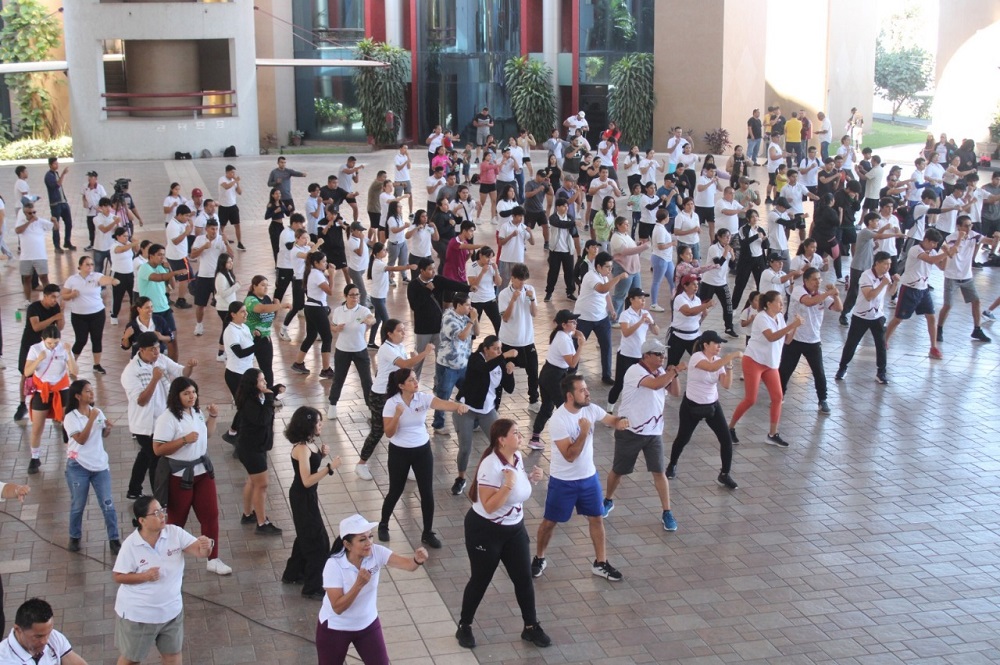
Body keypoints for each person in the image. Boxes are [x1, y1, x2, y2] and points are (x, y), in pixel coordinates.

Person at [455, 419, 550, 650]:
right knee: (480, 580)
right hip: (485, 532)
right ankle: (464, 626)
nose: (520, 436)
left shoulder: (515, 458)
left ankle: (530, 627)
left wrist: (530, 480)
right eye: (515, 433)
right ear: (501, 439)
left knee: (524, 578)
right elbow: (488, 505)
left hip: (514, 529)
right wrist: (507, 485)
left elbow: (515, 488)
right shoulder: (491, 465)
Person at [532, 375, 629, 582]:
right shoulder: (559, 420)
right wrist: (584, 432)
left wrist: (620, 422)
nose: (587, 393)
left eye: (586, 389)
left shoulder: (590, 409)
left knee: (597, 518)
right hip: (563, 482)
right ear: (569, 395)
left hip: (588, 479)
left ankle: (601, 562)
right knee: (550, 522)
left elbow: (610, 420)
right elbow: (569, 455)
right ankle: (539, 557)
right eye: (582, 390)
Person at [112, 496, 214, 665]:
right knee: (131, 659)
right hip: (139, 616)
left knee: (173, 657)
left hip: (171, 612)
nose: (162, 516)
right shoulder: (131, 545)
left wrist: (206, 546)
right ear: (142, 520)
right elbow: (118, 576)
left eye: (162, 511)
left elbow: (200, 552)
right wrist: (144, 576)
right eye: (157, 513)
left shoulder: (174, 533)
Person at [316, 514, 429, 665]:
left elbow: (408, 565)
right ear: (347, 545)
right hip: (336, 628)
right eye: (362, 539)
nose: (369, 543)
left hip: (367, 624)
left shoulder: (376, 552)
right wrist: (358, 585)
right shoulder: (334, 565)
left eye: (370, 537)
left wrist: (417, 560)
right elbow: (337, 607)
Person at [378, 367, 468, 547]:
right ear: (401, 385)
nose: (415, 382)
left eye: (415, 379)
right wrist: (397, 415)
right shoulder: (392, 403)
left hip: (422, 451)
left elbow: (442, 403)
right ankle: (384, 524)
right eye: (411, 380)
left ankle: (427, 532)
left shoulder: (423, 398)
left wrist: (458, 406)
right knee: (395, 490)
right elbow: (388, 433)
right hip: (399, 452)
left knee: (426, 491)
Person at [152, 377, 232, 575]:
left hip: (203, 472)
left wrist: (212, 417)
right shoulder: (168, 418)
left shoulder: (195, 412)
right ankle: (166, 559)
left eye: (193, 392)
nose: (191, 396)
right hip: (179, 476)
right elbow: (158, 449)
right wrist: (183, 441)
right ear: (176, 396)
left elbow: (207, 435)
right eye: (186, 393)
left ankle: (213, 558)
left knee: (210, 515)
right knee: (176, 520)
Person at [602, 337, 683, 528]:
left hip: (653, 432)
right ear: (646, 356)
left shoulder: (662, 371)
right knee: (618, 470)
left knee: (659, 471)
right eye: (658, 354)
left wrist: (674, 374)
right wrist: (673, 371)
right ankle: (607, 499)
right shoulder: (634, 371)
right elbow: (655, 385)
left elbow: (675, 392)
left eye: (663, 353)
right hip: (630, 430)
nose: (662, 357)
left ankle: (667, 512)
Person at [355, 321, 434, 481]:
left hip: (395, 393)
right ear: (389, 333)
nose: (403, 334)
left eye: (404, 331)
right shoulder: (386, 349)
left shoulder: (398, 347)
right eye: (399, 331)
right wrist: (424, 353)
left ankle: (409, 466)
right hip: (380, 396)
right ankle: (361, 464)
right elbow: (404, 364)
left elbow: (404, 370)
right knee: (378, 431)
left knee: (405, 427)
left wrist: (413, 361)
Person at [121, 332, 195, 499]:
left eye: (157, 348)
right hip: (145, 426)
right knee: (157, 458)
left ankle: (134, 489)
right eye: (152, 350)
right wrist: (154, 379)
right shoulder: (131, 371)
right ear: (141, 350)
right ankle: (159, 498)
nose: (156, 352)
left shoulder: (160, 359)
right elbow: (141, 400)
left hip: (163, 421)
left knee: (145, 456)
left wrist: (189, 366)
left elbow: (181, 372)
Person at [666, 331, 743, 488]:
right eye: (716, 344)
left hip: (712, 405)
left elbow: (726, 384)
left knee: (726, 439)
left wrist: (729, 366)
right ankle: (672, 464)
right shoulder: (697, 357)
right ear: (706, 345)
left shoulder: (719, 361)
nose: (719, 347)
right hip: (691, 406)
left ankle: (725, 474)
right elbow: (710, 368)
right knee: (683, 438)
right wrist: (732, 355)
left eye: (720, 344)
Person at [727, 291, 802, 447]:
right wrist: (792, 325)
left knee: (777, 398)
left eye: (783, 302)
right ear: (769, 303)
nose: (782, 305)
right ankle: (730, 428)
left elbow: (787, 341)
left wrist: (794, 328)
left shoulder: (780, 317)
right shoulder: (761, 317)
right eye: (779, 302)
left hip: (771, 364)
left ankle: (772, 434)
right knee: (750, 399)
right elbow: (771, 337)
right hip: (754, 360)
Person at [281, 407, 340, 599]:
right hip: (302, 498)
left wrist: (321, 456)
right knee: (318, 541)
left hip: (308, 497)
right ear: (309, 425)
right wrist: (329, 468)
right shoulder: (302, 448)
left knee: (305, 536)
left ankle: (293, 573)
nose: (321, 425)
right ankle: (313, 586)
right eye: (318, 422)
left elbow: (309, 467)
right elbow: (306, 480)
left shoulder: (309, 444)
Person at [450, 337, 517, 495]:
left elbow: (510, 388)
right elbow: (484, 369)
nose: (499, 352)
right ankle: (460, 479)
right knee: (466, 447)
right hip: (466, 408)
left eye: (500, 349)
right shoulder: (475, 359)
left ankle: (503, 476)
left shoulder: (499, 362)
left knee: (500, 444)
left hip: (487, 410)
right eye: (495, 349)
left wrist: (509, 371)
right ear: (485, 349)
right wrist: (505, 357)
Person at [62, 379, 121, 554]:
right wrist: (92, 419)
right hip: (78, 466)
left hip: (99, 465)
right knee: (78, 504)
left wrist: (107, 428)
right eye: (87, 391)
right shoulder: (71, 417)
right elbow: (81, 439)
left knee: (107, 503)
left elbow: (102, 434)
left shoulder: (96, 412)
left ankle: (114, 539)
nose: (91, 393)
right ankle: (74, 536)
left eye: (91, 390)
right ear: (78, 396)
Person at [778, 268, 841, 415]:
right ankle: (779, 395)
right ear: (806, 280)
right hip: (795, 338)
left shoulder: (822, 296)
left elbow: (838, 308)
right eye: (814, 279)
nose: (817, 282)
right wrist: (827, 293)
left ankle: (822, 400)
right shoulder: (798, 290)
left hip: (813, 341)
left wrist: (836, 295)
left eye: (819, 279)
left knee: (819, 372)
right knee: (785, 370)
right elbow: (809, 302)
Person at [885, 228, 953, 358]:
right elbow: (931, 260)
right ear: (926, 240)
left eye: (936, 244)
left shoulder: (932, 251)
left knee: (931, 317)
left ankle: (933, 347)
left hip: (923, 289)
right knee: (898, 318)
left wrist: (947, 254)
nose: (934, 246)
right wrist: (947, 253)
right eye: (932, 243)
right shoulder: (915, 249)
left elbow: (942, 267)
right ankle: (884, 340)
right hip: (909, 288)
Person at [835, 252, 899, 385]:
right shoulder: (866, 276)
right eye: (885, 264)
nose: (888, 267)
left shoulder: (885, 276)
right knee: (851, 344)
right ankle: (842, 368)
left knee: (881, 345)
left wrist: (896, 283)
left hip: (878, 316)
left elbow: (891, 293)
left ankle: (881, 372)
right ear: (877, 263)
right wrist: (883, 284)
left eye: (890, 264)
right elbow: (869, 295)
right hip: (861, 316)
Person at [231, 368, 281, 535]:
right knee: (262, 484)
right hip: (251, 449)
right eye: (261, 380)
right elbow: (263, 419)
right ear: (253, 384)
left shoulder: (255, 397)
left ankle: (247, 514)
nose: (265, 382)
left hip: (256, 446)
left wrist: (272, 392)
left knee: (253, 481)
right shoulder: (249, 402)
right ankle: (261, 523)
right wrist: (269, 397)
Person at [528, 310, 585, 449]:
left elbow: (575, 333)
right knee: (564, 407)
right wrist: (581, 346)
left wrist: (579, 333)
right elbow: (572, 363)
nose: (575, 324)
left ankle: (535, 438)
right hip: (554, 377)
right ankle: (569, 436)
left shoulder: (562, 333)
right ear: (564, 324)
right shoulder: (562, 339)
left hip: (549, 374)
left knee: (547, 406)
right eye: (572, 322)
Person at [937, 216, 999, 343]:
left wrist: (997, 238)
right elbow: (952, 253)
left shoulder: (974, 235)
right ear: (958, 226)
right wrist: (960, 238)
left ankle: (977, 329)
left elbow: (990, 242)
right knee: (948, 305)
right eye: (966, 225)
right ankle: (939, 329)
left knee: (976, 302)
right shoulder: (950, 238)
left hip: (967, 277)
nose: (969, 228)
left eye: (970, 225)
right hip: (952, 276)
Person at [25, 325, 77, 475]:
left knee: (67, 424)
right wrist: (38, 360)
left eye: (55, 342)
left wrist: (69, 353)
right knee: (37, 426)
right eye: (49, 343)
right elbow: (27, 371)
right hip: (42, 391)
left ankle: (71, 457)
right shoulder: (35, 349)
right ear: (43, 340)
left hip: (61, 389)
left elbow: (74, 371)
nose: (53, 345)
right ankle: (35, 457)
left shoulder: (63, 348)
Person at [324, 283, 375, 420]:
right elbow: (333, 326)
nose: (355, 297)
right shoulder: (339, 311)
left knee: (366, 380)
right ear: (345, 296)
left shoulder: (363, 310)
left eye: (357, 294)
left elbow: (372, 318)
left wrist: (368, 320)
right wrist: (336, 329)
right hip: (343, 350)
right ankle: (332, 405)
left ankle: (371, 408)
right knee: (339, 379)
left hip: (360, 350)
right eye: (352, 295)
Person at [575, 251, 626, 385]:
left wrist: (612, 310)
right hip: (584, 318)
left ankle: (606, 375)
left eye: (611, 267)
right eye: (608, 267)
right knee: (576, 345)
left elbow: (606, 295)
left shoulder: (604, 276)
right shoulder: (590, 276)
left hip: (601, 318)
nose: (610, 270)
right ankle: (570, 373)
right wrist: (619, 277)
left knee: (607, 346)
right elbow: (602, 289)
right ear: (598, 267)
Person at [14, 284, 63, 423]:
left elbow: (60, 327)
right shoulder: (34, 308)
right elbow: (36, 327)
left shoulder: (56, 308)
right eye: (53, 297)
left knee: (52, 374)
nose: (55, 300)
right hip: (30, 344)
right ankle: (22, 404)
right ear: (45, 296)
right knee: (25, 374)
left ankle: (54, 406)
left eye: (57, 297)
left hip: (47, 345)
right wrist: (54, 316)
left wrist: (61, 316)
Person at [62, 256, 118, 375]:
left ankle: (97, 365)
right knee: (81, 340)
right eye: (87, 264)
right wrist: (72, 295)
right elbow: (64, 296)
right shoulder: (72, 279)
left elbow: (104, 279)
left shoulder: (96, 276)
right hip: (79, 315)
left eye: (92, 264)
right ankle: (72, 364)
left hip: (97, 313)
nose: (90, 267)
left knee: (96, 339)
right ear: (80, 266)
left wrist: (112, 280)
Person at [432, 292, 479, 431]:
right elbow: (462, 336)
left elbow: (477, 332)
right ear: (458, 305)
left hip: (463, 363)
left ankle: (473, 422)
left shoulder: (465, 316)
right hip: (448, 365)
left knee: (470, 391)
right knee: (443, 395)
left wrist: (475, 320)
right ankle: (438, 424)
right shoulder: (448, 318)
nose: (470, 308)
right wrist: (471, 320)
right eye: (467, 305)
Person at [497, 262, 541, 408]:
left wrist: (532, 299)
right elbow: (506, 318)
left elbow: (534, 314)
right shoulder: (504, 294)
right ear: (512, 278)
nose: (522, 283)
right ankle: (495, 403)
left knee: (533, 372)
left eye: (524, 280)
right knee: (503, 373)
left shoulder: (530, 290)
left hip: (527, 340)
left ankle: (534, 400)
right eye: (520, 279)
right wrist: (513, 300)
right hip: (508, 341)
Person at [608, 288, 659, 410]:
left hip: (640, 355)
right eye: (640, 299)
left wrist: (651, 323)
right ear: (631, 300)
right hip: (626, 355)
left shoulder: (646, 314)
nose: (643, 301)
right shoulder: (626, 314)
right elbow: (626, 332)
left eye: (644, 299)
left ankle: (635, 408)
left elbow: (656, 332)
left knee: (640, 383)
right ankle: (609, 409)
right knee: (619, 384)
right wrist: (641, 321)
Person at [0, 597, 88, 665]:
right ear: (18, 630)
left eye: (48, 633)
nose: (45, 641)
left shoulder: (53, 637)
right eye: (38, 636)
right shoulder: (4, 660)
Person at [291, 252, 336, 377]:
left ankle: (298, 362)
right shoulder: (316, 274)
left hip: (310, 308)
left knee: (311, 336)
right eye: (324, 262)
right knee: (327, 338)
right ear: (316, 263)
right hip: (317, 309)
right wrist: (332, 276)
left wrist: (329, 272)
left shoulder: (313, 272)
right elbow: (330, 291)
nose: (326, 264)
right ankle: (326, 369)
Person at [667, 274, 713, 368]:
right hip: (678, 336)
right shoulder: (680, 298)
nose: (696, 286)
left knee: (702, 362)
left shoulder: (698, 300)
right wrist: (706, 305)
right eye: (693, 284)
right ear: (685, 286)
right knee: (672, 365)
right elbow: (688, 312)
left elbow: (698, 320)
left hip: (694, 336)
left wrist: (704, 314)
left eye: (697, 284)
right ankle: (667, 382)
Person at [15, 200, 54, 307]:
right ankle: (27, 301)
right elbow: (18, 231)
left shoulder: (41, 221)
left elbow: (54, 227)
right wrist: (29, 222)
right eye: (29, 213)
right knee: (26, 278)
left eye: (34, 212)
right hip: (26, 257)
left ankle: (49, 299)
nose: (32, 215)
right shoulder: (21, 222)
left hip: (40, 256)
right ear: (25, 213)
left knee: (44, 277)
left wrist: (55, 221)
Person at [467, 246, 502, 333]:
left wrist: (496, 270)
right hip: (476, 300)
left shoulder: (491, 266)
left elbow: (499, 283)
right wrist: (482, 272)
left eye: (491, 257)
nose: (489, 260)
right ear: (480, 255)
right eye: (487, 257)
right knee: (473, 327)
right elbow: (473, 285)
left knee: (498, 324)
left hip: (490, 298)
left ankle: (501, 344)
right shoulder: (473, 266)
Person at [109, 226, 139, 325]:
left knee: (133, 296)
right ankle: (114, 315)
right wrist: (132, 244)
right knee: (117, 297)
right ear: (118, 236)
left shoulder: (129, 244)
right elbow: (121, 250)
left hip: (130, 274)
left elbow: (136, 250)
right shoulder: (114, 246)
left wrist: (135, 243)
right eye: (124, 236)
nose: (126, 238)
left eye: (127, 236)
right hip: (118, 274)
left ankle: (135, 315)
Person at [44, 157, 74, 251]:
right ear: (50, 165)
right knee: (56, 224)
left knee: (69, 223)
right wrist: (63, 174)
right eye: (55, 164)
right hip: (55, 204)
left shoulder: (56, 173)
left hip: (63, 202)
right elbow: (57, 185)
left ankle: (67, 241)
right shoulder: (48, 176)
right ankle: (56, 245)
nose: (57, 165)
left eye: (57, 163)